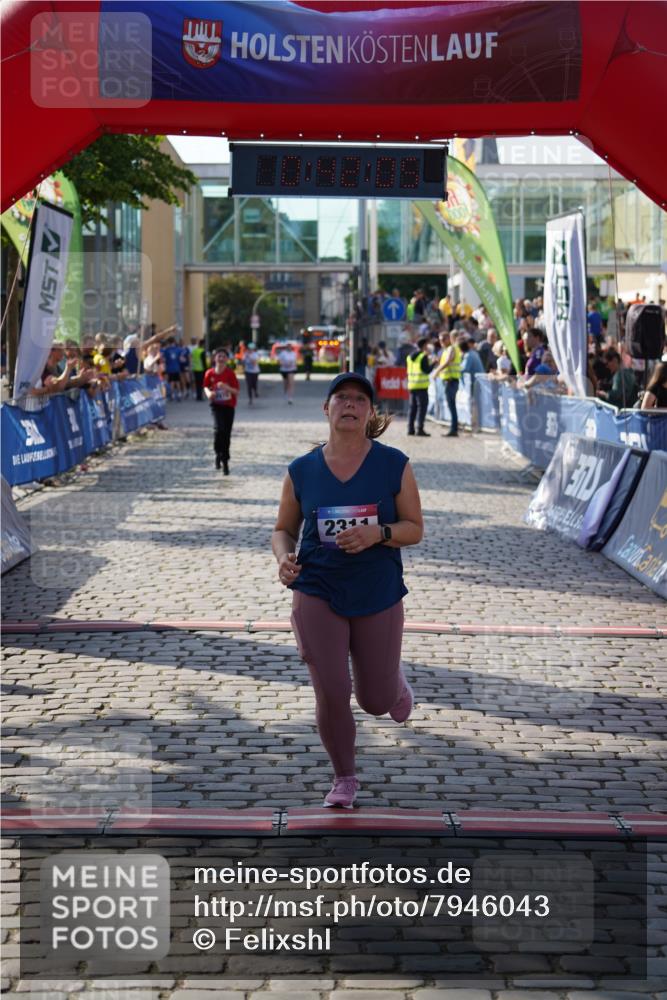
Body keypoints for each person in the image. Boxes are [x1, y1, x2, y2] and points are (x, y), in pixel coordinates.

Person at [272, 372, 424, 809]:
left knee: (375, 701)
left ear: (370, 412)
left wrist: (379, 533)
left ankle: (392, 684)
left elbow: (415, 529)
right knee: (332, 689)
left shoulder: (394, 464)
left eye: (360, 400)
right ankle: (344, 777)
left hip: (377, 588)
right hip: (317, 586)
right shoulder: (301, 470)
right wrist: (283, 557)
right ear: (327, 409)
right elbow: (283, 529)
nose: (350, 405)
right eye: (341, 398)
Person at [203, 349, 240, 473]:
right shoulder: (210, 373)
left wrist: (226, 388)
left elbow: (237, 392)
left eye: (224, 356)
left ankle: (225, 460)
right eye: (219, 356)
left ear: (227, 359)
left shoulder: (230, 374)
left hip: (229, 407)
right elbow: (205, 387)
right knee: (219, 430)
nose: (221, 358)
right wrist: (209, 393)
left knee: (227, 433)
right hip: (216, 406)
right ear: (215, 358)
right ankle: (218, 453)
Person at [433, 330, 461, 436]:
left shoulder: (451, 348)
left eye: (443, 339)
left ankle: (454, 429)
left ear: (448, 338)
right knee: (451, 405)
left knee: (452, 406)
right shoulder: (446, 350)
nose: (441, 342)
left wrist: (437, 371)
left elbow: (448, 361)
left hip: (451, 381)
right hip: (448, 381)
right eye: (440, 340)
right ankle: (453, 428)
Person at [406, 336, 434, 436]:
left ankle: (410, 429)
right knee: (422, 408)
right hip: (421, 386)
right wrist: (434, 363)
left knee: (412, 408)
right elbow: (427, 370)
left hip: (412, 385)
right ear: (424, 345)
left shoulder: (410, 357)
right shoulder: (423, 356)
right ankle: (420, 429)